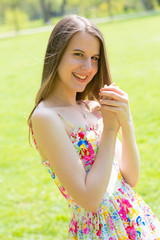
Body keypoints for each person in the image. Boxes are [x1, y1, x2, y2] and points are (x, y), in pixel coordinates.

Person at [27, 15, 160, 239]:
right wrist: (109, 130)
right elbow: (89, 199)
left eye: (95, 58)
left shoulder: (92, 107)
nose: (88, 67)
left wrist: (126, 123)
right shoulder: (46, 117)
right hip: (101, 231)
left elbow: (130, 178)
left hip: (136, 222)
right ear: (57, 55)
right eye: (78, 54)